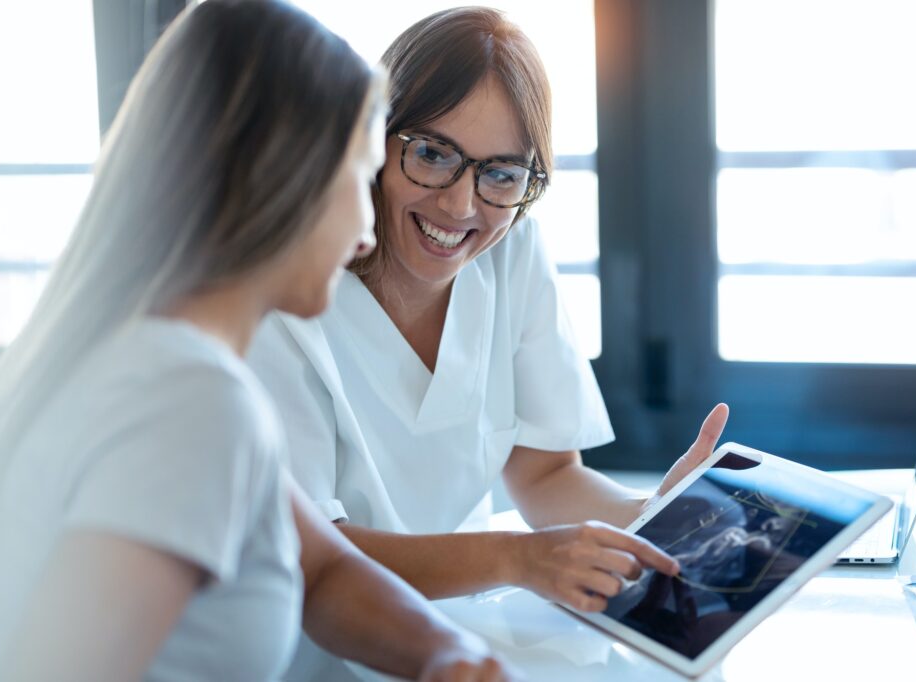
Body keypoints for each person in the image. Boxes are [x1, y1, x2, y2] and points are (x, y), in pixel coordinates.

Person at [0, 2, 514, 680]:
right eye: (359, 176)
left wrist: (452, 655)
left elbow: (322, 569)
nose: (365, 229)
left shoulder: (152, 363)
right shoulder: (192, 402)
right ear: (284, 180)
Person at [249, 7, 730, 675]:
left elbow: (544, 474)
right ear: (374, 141)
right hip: (325, 651)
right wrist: (517, 558)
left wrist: (652, 517)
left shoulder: (512, 249)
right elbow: (313, 558)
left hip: (471, 633)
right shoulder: (288, 292)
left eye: (501, 174)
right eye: (432, 154)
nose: (459, 206)